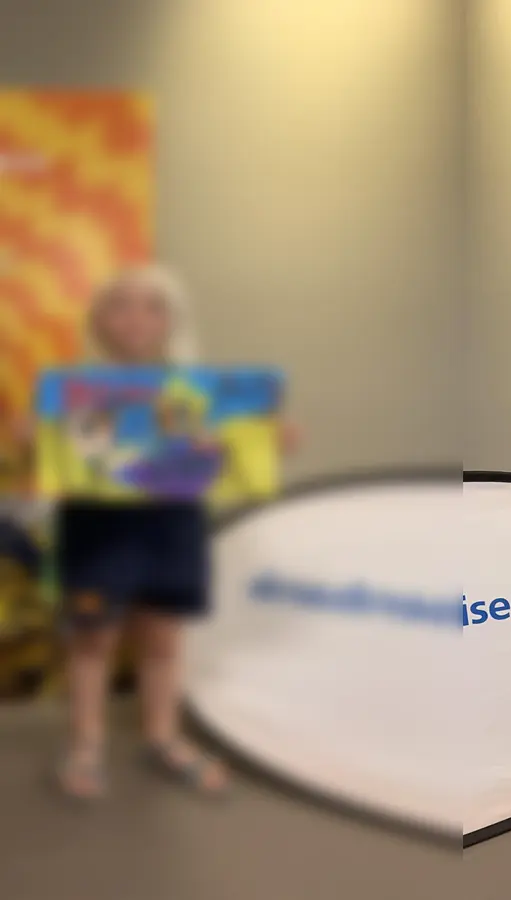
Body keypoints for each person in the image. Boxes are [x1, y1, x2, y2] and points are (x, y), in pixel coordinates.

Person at [10, 265, 302, 800]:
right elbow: (49, 461)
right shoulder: (69, 390)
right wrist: (29, 437)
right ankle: (85, 743)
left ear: (172, 319)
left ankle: (161, 737)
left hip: (174, 529)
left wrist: (268, 440)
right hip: (97, 533)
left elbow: (234, 455)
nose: (136, 318)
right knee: (92, 639)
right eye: (120, 304)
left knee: (164, 642)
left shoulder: (208, 395)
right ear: (98, 319)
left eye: (152, 306)